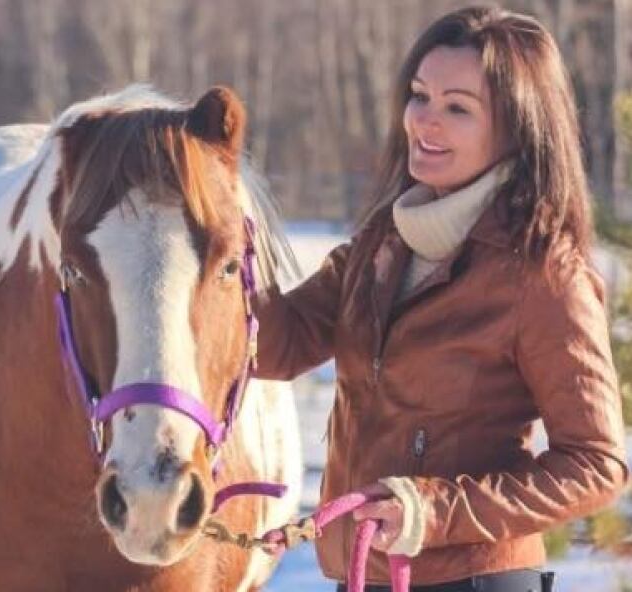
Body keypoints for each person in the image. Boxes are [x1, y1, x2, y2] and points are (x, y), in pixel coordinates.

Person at [254, 5, 628, 591]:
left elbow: (598, 464)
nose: (424, 121)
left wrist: (433, 511)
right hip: (369, 572)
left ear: (516, 127)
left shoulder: (541, 274)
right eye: (419, 95)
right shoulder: (382, 243)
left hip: (476, 579)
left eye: (458, 108)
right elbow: (274, 345)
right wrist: (208, 248)